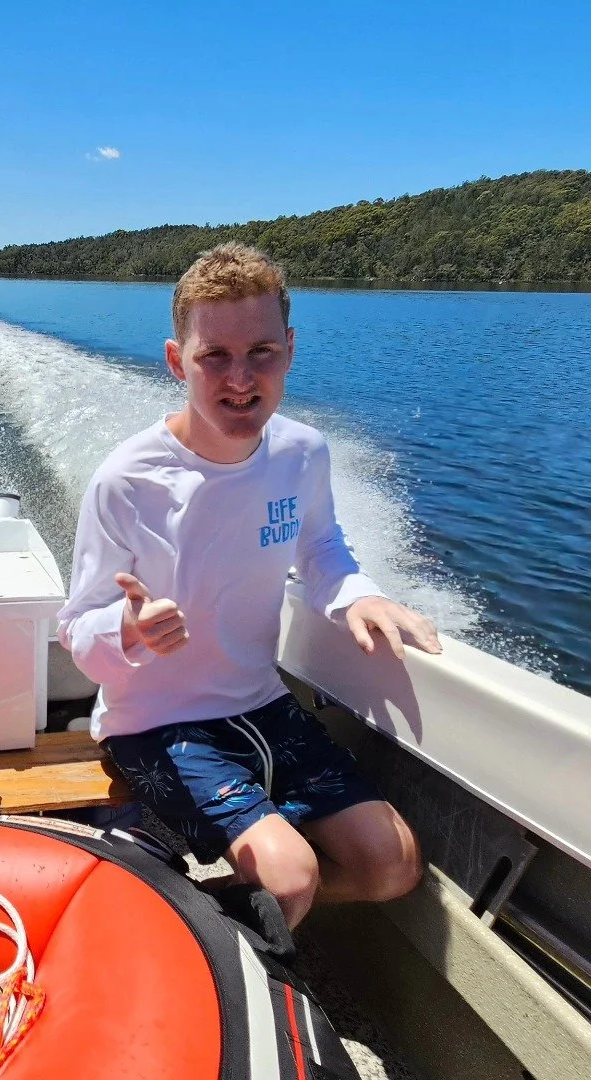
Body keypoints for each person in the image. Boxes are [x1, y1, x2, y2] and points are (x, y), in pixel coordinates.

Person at [58, 242, 439, 930]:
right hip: (153, 721)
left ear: (289, 351)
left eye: (261, 352)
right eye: (215, 357)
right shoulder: (128, 481)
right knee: (292, 880)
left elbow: (322, 547)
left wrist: (358, 594)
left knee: (393, 865)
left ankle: (208, 916)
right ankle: (216, 938)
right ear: (178, 361)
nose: (240, 378)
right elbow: (79, 632)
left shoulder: (302, 452)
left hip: (261, 703)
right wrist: (129, 630)